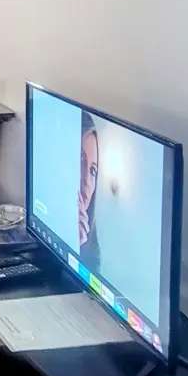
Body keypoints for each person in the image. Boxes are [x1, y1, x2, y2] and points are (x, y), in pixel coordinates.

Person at [78, 111, 101, 269]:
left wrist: (79, 246)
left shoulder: (93, 255)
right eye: (81, 161)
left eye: (93, 171)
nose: (87, 180)